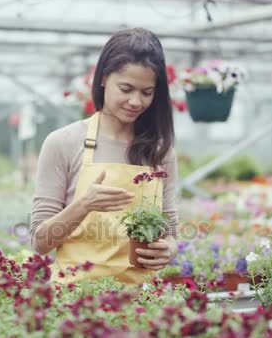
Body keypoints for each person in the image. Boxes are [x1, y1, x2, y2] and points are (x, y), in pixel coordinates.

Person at [30, 28, 178, 285]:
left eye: (146, 92)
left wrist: (169, 249)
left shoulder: (159, 151)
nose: (135, 101)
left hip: (141, 302)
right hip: (76, 303)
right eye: (126, 88)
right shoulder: (63, 142)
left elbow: (171, 230)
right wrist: (83, 205)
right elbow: (40, 242)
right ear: (103, 78)